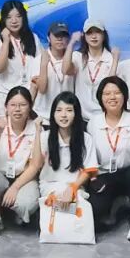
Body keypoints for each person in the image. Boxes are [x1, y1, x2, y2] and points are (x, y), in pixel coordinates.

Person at [85, 76, 130, 241]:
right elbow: (89, 155)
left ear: (124, 96)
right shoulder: (93, 122)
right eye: (107, 93)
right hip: (105, 175)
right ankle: (118, 203)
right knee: (95, 213)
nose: (112, 97)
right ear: (100, 98)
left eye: (117, 93)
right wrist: (93, 178)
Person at [0, 87, 41, 239]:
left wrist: (15, 187)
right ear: (6, 107)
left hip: (23, 178)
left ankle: (16, 212)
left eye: (23, 105)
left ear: (30, 106)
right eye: (13, 105)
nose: (17, 109)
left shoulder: (36, 128)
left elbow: (35, 165)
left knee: (26, 204)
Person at [33, 91, 99, 225]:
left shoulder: (86, 139)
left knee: (79, 206)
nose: (63, 115)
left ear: (76, 114)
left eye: (69, 110)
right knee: (62, 206)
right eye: (59, 110)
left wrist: (72, 188)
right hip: (50, 186)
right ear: (53, 114)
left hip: (76, 187)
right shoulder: (45, 136)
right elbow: (36, 164)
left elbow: (88, 170)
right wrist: (37, 132)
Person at [0, 0, 43, 114]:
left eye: (18, 16)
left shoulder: (33, 38)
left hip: (29, 96)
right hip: (4, 97)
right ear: (3, 20)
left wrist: (30, 98)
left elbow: (39, 68)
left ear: (24, 17)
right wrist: (6, 41)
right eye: (9, 17)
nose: (14, 21)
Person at [63, 19, 117, 121]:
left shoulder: (111, 59)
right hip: (81, 118)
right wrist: (71, 43)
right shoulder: (78, 56)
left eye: (97, 32)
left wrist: (115, 60)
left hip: (103, 117)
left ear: (104, 35)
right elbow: (65, 70)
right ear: (84, 36)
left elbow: (112, 87)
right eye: (89, 33)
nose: (94, 36)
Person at [33, 21, 74, 121]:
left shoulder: (74, 57)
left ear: (68, 39)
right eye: (56, 35)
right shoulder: (38, 60)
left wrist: (71, 44)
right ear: (48, 38)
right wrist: (44, 65)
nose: (60, 39)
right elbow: (42, 89)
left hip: (66, 116)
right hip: (43, 116)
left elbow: (68, 69)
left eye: (63, 35)